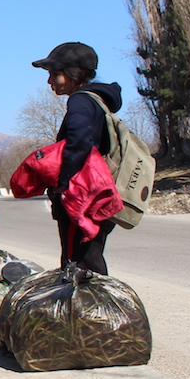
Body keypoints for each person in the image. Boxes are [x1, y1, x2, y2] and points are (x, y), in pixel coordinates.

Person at [31, 42, 122, 274]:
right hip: (96, 195)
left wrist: (62, 184)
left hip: (82, 198)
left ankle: (95, 309)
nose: (49, 81)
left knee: (80, 266)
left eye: (54, 74)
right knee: (88, 260)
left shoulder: (80, 101)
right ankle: (93, 307)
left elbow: (79, 143)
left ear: (74, 73)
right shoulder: (97, 101)